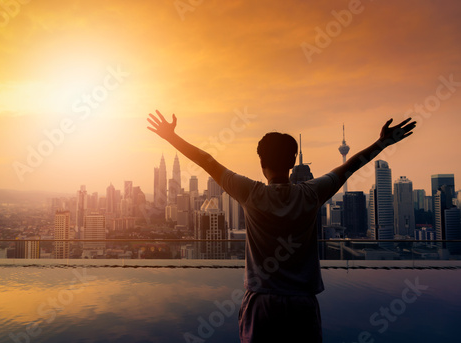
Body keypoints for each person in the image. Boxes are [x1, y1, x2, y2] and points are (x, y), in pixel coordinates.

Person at [146, 110, 416, 342]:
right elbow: (350, 167)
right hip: (302, 304)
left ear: (261, 161)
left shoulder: (251, 193)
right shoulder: (310, 194)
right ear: (292, 161)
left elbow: (208, 162)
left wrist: (171, 137)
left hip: (261, 302)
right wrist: (382, 143)